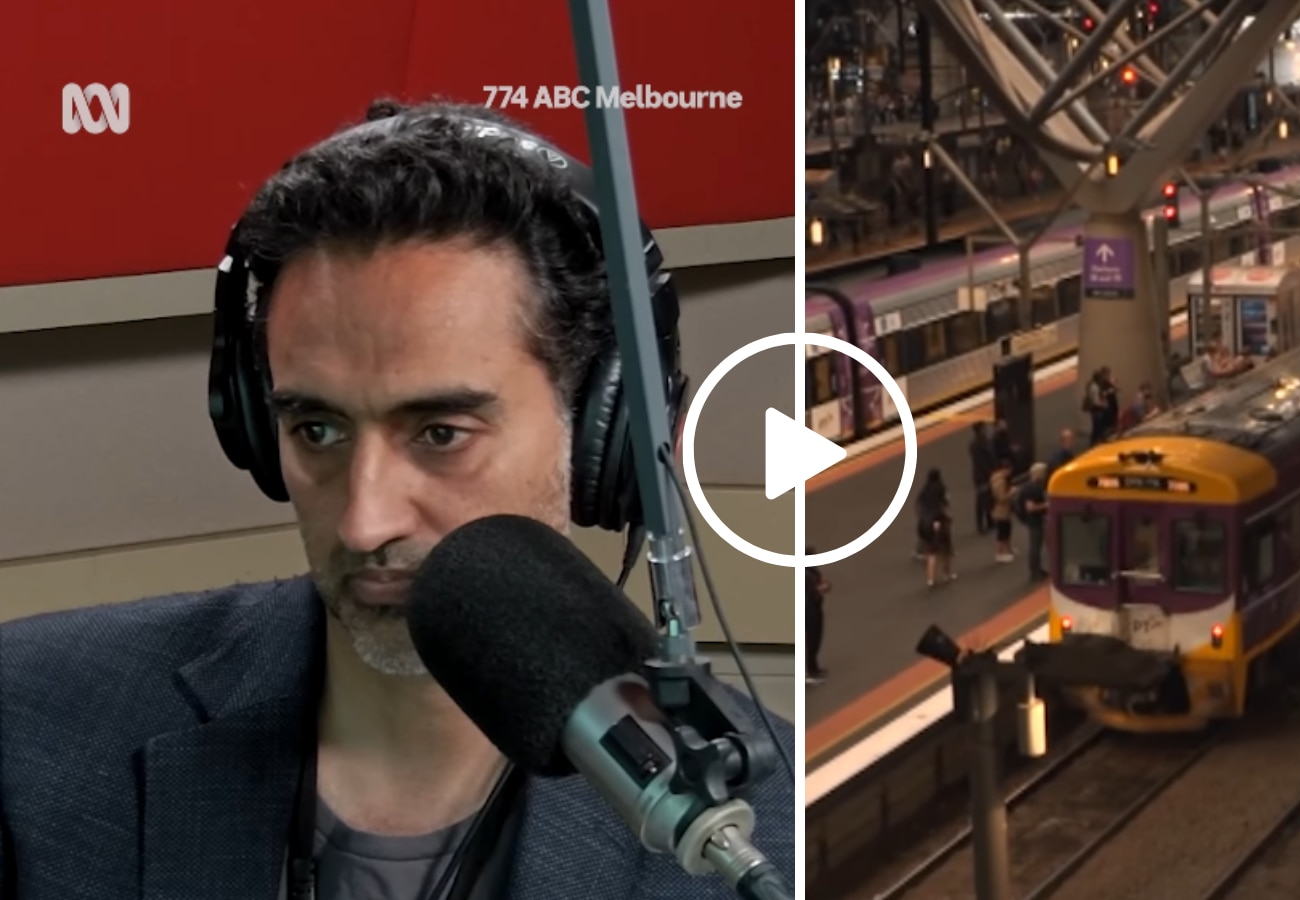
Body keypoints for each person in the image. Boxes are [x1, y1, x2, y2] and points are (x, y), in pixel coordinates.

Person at [0, 101, 794, 898]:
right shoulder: (29, 723)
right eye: (317, 430)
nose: (364, 520)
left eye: (441, 433)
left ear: (602, 434)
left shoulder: (775, 831)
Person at [805, 549, 830, 685]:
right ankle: (810, 669)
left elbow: (825, 584)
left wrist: (824, 586)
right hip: (808, 610)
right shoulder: (805, 574)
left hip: (816, 608)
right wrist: (821, 587)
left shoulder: (814, 572)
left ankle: (814, 667)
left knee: (816, 639)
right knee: (811, 640)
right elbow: (815, 589)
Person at [969, 422, 995, 534]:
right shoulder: (982, 443)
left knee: (986, 497)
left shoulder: (973, 444)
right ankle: (983, 523)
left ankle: (988, 521)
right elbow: (989, 457)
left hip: (979, 474)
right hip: (983, 475)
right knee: (982, 498)